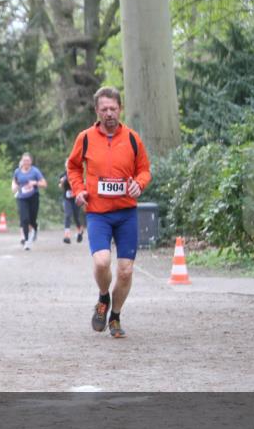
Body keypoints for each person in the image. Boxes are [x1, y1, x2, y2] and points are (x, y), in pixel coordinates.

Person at [66, 86, 151, 339]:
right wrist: (79, 189)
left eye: (113, 108)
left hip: (126, 213)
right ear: (97, 111)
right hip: (98, 213)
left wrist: (140, 183)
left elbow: (144, 170)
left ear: (120, 109)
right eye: (104, 109)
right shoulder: (86, 138)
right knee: (102, 262)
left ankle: (115, 316)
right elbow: (72, 167)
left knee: (125, 270)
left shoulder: (133, 139)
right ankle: (103, 297)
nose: (109, 113)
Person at [12, 153, 47, 250]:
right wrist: (15, 187)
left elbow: (44, 184)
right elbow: (15, 181)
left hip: (33, 197)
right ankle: (27, 241)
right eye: (24, 161)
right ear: (22, 161)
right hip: (22, 198)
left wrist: (35, 183)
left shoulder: (35, 171)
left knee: (32, 219)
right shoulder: (17, 171)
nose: (26, 163)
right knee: (24, 219)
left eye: (28, 161)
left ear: (31, 162)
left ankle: (34, 228)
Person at [58, 171, 85, 244]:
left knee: (76, 216)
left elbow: (82, 184)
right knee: (68, 215)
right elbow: (60, 185)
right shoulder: (63, 175)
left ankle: (80, 231)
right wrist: (63, 182)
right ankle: (67, 236)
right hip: (67, 199)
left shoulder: (78, 174)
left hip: (76, 198)